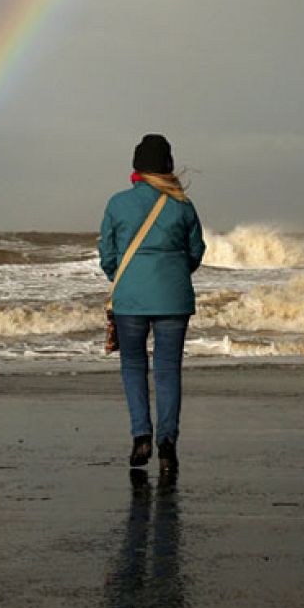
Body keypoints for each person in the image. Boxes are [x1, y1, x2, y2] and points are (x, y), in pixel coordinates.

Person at [98, 134, 206, 474]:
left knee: (133, 366)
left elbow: (107, 255)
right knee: (167, 370)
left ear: (136, 167)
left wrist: (125, 277)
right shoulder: (183, 205)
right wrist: (173, 274)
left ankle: (141, 436)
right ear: (168, 166)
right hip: (174, 298)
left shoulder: (117, 203)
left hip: (131, 299)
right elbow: (196, 251)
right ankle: (167, 445)